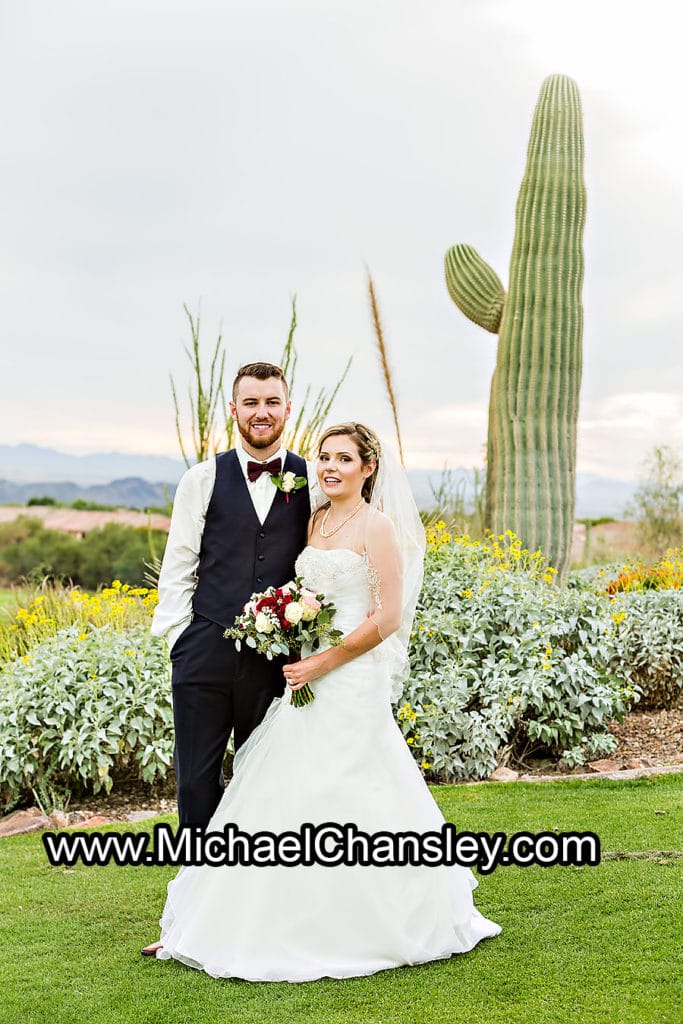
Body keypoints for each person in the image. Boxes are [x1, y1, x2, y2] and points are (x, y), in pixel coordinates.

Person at [146, 422, 501, 980]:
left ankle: (366, 920)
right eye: (325, 457)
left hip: (346, 679)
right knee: (278, 790)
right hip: (300, 678)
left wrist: (322, 662)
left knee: (351, 789)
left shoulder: (377, 527)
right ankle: (261, 914)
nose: (331, 467)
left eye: (344, 459)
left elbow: (387, 616)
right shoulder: (313, 518)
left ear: (368, 468)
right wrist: (283, 633)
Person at [141, 362, 318, 955]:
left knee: (265, 784)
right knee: (196, 781)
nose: (261, 412)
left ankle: (260, 914)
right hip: (204, 653)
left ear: (287, 410)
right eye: (250, 402)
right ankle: (190, 918)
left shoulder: (311, 480)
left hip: (277, 664)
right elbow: (179, 565)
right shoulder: (201, 479)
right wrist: (180, 640)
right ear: (234, 411)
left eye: (272, 401)